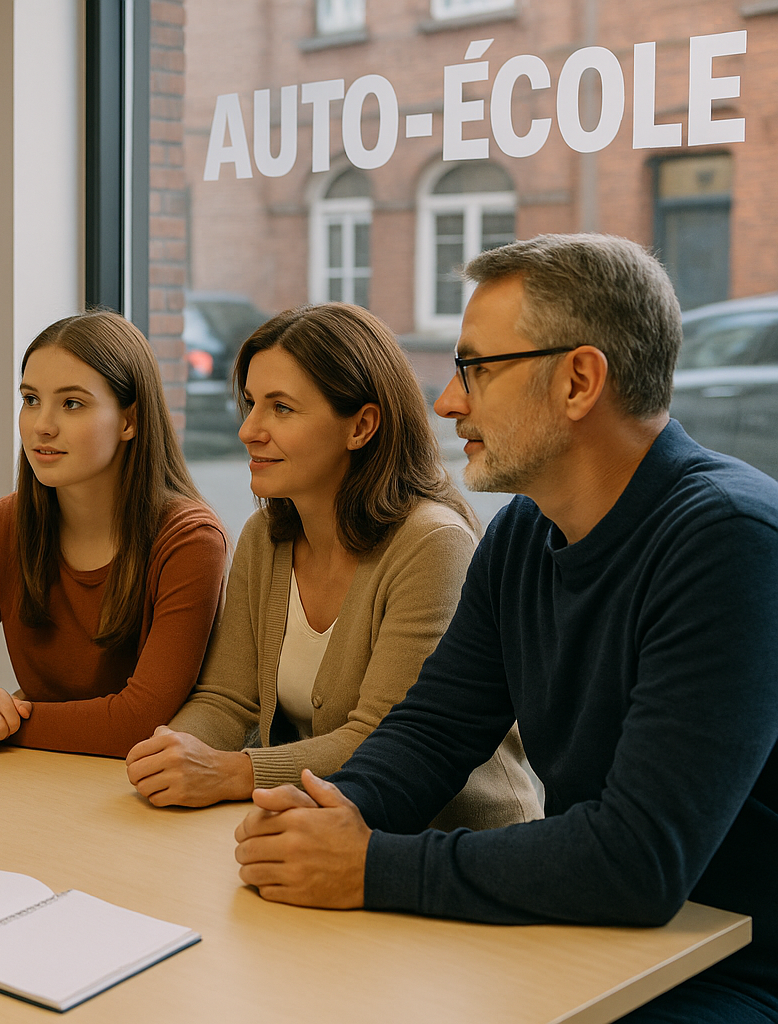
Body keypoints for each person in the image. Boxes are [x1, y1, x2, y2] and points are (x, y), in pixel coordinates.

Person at [233, 234, 778, 1022]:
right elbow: (432, 733)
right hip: (593, 937)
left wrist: (370, 867)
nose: (449, 403)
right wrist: (327, 813)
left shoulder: (731, 541)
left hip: (728, 970)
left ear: (579, 381)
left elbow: (638, 859)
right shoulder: (525, 531)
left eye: (475, 370)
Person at [125, 304, 539, 830]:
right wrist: (168, 756)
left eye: (281, 408)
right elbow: (225, 701)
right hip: (322, 830)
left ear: (362, 426)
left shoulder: (432, 543)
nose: (249, 430)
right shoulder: (265, 538)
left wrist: (232, 773)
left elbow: (380, 741)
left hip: (449, 844)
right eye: (251, 404)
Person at [0, 311, 228, 756]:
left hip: (137, 797)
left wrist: (8, 724)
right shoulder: (5, 524)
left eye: (71, 403)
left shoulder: (190, 541)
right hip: (38, 779)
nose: (41, 425)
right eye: (31, 400)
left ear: (130, 421)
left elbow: (137, 722)